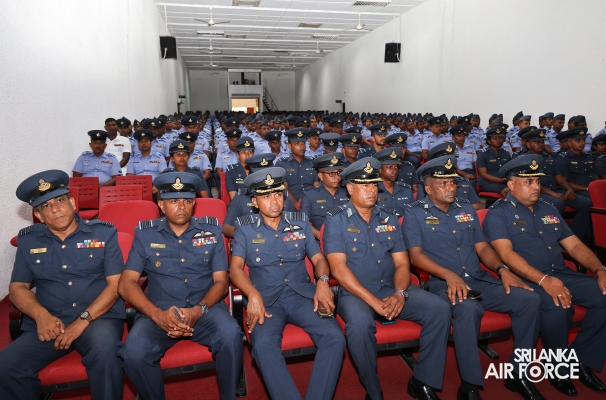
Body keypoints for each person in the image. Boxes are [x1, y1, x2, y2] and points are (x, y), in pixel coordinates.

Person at [407, 155, 544, 400]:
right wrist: (448, 275)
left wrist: (503, 270)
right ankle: (469, 385)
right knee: (468, 309)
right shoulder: (414, 213)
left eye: (452, 182)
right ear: (428, 188)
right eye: (443, 183)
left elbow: (482, 247)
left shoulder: (466, 209)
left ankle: (519, 373)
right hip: (442, 285)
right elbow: (415, 256)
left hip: (478, 280)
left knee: (529, 300)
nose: (451, 188)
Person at [323, 157, 451, 400]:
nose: (372, 190)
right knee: (359, 326)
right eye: (365, 185)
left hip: (391, 288)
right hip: (355, 294)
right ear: (350, 188)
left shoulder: (389, 217)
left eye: (374, 184)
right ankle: (373, 391)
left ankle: (423, 381)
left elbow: (402, 263)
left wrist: (400, 294)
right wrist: (373, 302)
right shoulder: (336, 219)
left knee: (439, 308)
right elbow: (338, 269)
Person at [484, 154, 606, 396]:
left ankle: (580, 359)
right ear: (511, 185)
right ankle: (557, 367)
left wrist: (600, 269)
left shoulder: (548, 208)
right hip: (527, 278)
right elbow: (506, 254)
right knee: (558, 305)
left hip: (559, 273)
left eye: (538, 181)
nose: (536, 187)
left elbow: (574, 245)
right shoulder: (498, 213)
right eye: (528, 182)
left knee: (604, 294)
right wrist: (543, 280)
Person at [0, 170, 125, 400]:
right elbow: (17, 288)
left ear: (72, 203)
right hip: (51, 321)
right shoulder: (28, 241)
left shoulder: (104, 233)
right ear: (38, 215)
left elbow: (116, 284)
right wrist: (41, 316)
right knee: (6, 366)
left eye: (60, 200)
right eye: (46, 206)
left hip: (97, 318)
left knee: (105, 351)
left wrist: (82, 320)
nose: (55, 209)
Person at [118, 172, 243, 400]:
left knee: (231, 334)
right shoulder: (145, 234)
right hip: (159, 311)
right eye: (174, 201)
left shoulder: (212, 231)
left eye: (187, 200)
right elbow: (126, 284)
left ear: (194, 203)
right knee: (133, 352)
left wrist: (198, 310)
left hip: (205, 309)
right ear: (161, 205)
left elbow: (221, 281)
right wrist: (157, 315)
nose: (181, 207)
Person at [230, 167, 346, 400]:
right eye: (266, 196)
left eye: (277, 194)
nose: (274, 201)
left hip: (303, 296)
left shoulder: (300, 223)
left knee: (335, 337)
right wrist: (252, 294)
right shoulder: (244, 228)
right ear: (255, 202)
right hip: (267, 300)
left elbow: (319, 259)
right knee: (263, 346)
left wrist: (323, 282)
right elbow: (235, 269)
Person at [519, 128, 592, 240]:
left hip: (556, 190)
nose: (540, 144)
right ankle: (551, 236)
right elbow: (530, 183)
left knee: (587, 203)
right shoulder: (524, 160)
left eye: (542, 141)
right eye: (537, 142)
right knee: (558, 204)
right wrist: (554, 194)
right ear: (528, 144)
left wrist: (569, 189)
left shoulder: (549, 158)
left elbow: (560, 180)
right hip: (538, 192)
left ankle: (574, 236)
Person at [222, 154, 297, 238]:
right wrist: (247, 236)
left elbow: (295, 225)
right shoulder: (241, 197)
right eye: (260, 176)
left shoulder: (282, 196)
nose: (265, 179)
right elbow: (226, 227)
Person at [300, 153, 349, 239]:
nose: (337, 177)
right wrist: (323, 237)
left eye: (339, 173)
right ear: (321, 176)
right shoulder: (310, 195)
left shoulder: (348, 192)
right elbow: (304, 223)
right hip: (320, 240)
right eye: (331, 174)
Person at [275, 128, 319, 204]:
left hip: (311, 202)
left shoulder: (313, 163)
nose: (302, 146)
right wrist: (296, 204)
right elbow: (284, 188)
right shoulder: (282, 164)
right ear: (289, 146)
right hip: (290, 204)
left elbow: (316, 186)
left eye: (303, 143)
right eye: (297, 144)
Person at [555, 127, 597, 198]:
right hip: (577, 191)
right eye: (578, 140)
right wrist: (586, 188)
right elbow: (563, 181)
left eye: (583, 140)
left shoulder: (588, 157)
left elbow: (595, 175)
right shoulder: (563, 159)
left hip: (592, 188)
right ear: (569, 143)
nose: (582, 143)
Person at [372, 148, 413, 216]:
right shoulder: (373, 192)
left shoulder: (406, 191)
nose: (394, 171)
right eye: (389, 167)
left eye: (396, 167)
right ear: (380, 170)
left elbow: (412, 215)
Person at [476, 126, 511, 197]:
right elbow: (484, 174)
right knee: (507, 191)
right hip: (488, 183)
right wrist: (500, 180)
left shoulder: (505, 153)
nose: (498, 140)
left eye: (500, 138)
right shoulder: (483, 154)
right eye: (495, 138)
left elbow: (510, 170)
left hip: (504, 181)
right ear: (489, 141)